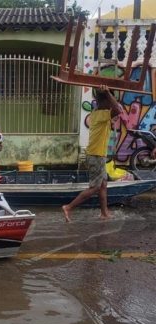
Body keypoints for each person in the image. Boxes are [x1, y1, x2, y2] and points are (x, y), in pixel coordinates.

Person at [62, 85, 122, 222]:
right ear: (104, 101)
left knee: (103, 184)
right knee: (94, 187)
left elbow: (112, 115)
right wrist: (107, 92)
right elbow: (118, 109)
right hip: (96, 156)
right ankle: (68, 207)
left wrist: (107, 96)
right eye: (110, 100)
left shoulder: (98, 113)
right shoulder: (101, 114)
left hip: (97, 155)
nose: (112, 104)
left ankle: (104, 213)